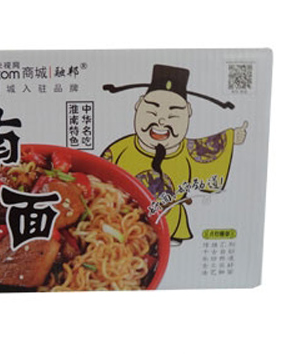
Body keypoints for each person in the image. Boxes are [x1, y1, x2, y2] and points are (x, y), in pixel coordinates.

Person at [102, 64, 247, 245]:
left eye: (173, 115)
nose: (162, 121)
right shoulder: (121, 148)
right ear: (139, 104)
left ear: (188, 111)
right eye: (153, 111)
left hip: (172, 228)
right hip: (119, 225)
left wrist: (231, 138)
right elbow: (100, 181)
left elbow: (211, 148)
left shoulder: (190, 151)